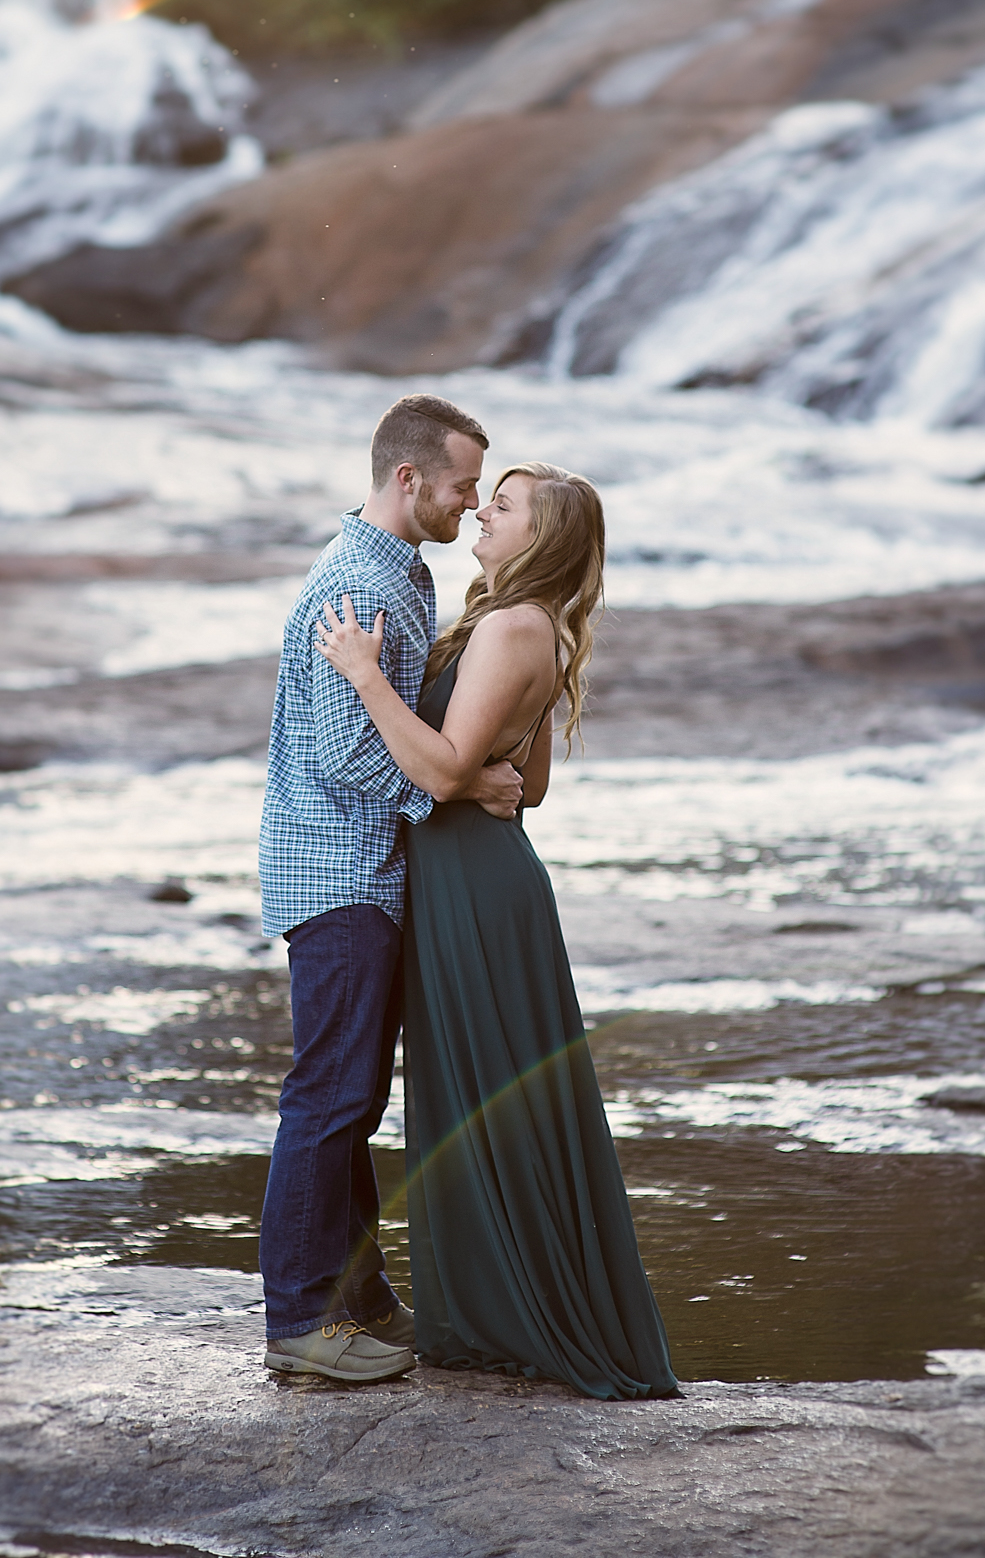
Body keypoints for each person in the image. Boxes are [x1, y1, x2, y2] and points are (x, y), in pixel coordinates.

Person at [314, 461, 678, 1400]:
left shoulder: (515, 625)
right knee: (478, 1097)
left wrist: (365, 675)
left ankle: (516, 1313)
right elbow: (529, 785)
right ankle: (497, 1307)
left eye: (502, 505)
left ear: (540, 539)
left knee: (487, 1098)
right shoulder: (518, 623)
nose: (480, 508)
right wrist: (477, 775)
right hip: (473, 880)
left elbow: (437, 771)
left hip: (476, 891)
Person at [258, 393, 526, 1384]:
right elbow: (342, 753)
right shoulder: (359, 587)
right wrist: (452, 790)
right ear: (409, 478)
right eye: (461, 484)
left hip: (355, 867)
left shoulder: (395, 571)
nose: (469, 501)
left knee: (350, 1097)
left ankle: (360, 1297)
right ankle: (297, 1318)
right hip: (337, 870)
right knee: (328, 1097)